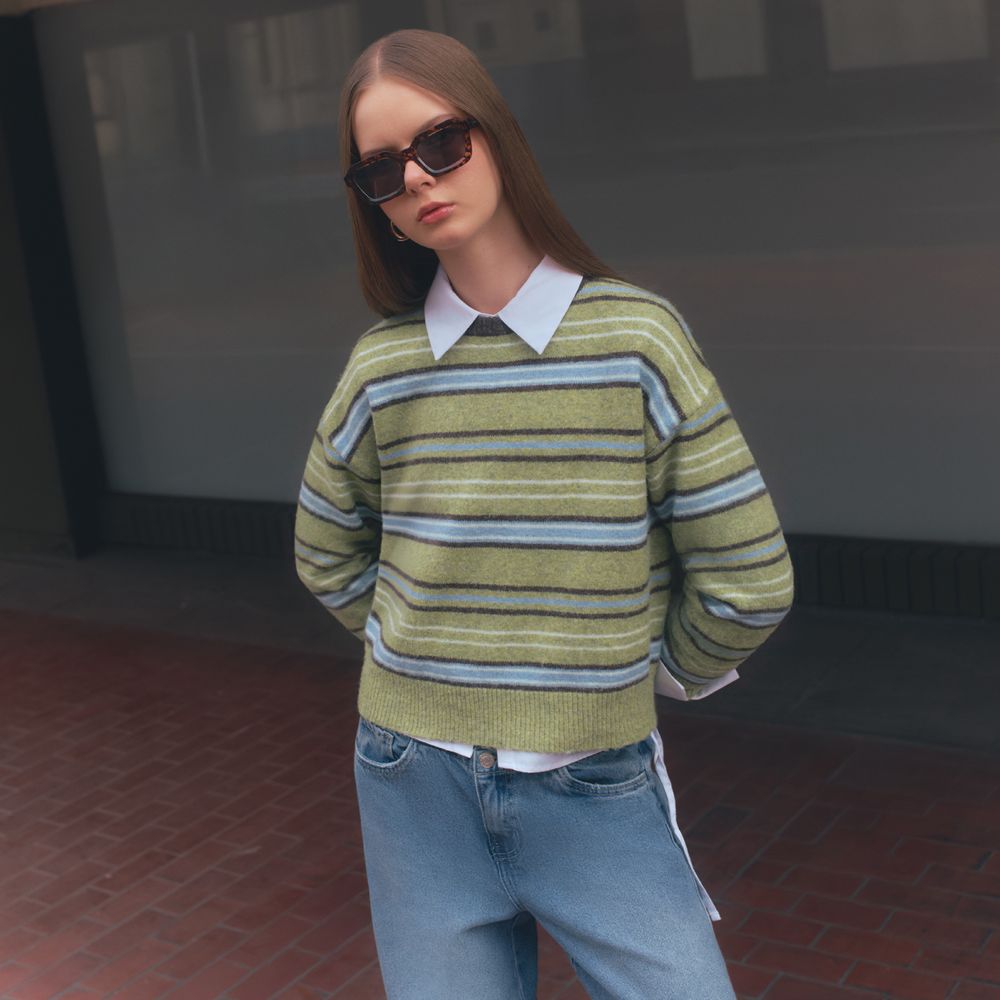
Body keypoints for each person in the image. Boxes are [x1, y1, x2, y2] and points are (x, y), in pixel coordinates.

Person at [294, 27, 794, 1000]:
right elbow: (325, 550)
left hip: (590, 778)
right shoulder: (381, 367)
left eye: (441, 142)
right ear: (373, 204)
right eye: (382, 171)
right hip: (410, 784)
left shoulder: (635, 339)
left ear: (497, 134)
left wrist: (644, 671)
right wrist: (415, 650)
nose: (417, 178)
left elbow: (749, 579)